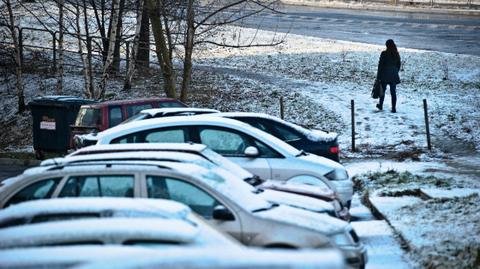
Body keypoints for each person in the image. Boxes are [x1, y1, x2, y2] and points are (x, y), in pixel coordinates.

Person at [376, 39, 401, 113]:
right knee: (393, 92)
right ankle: (393, 108)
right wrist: (396, 71)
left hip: (385, 75)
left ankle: (380, 105)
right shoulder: (396, 53)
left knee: (382, 91)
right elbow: (399, 64)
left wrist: (378, 77)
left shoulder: (384, 53)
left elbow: (380, 66)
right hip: (393, 75)